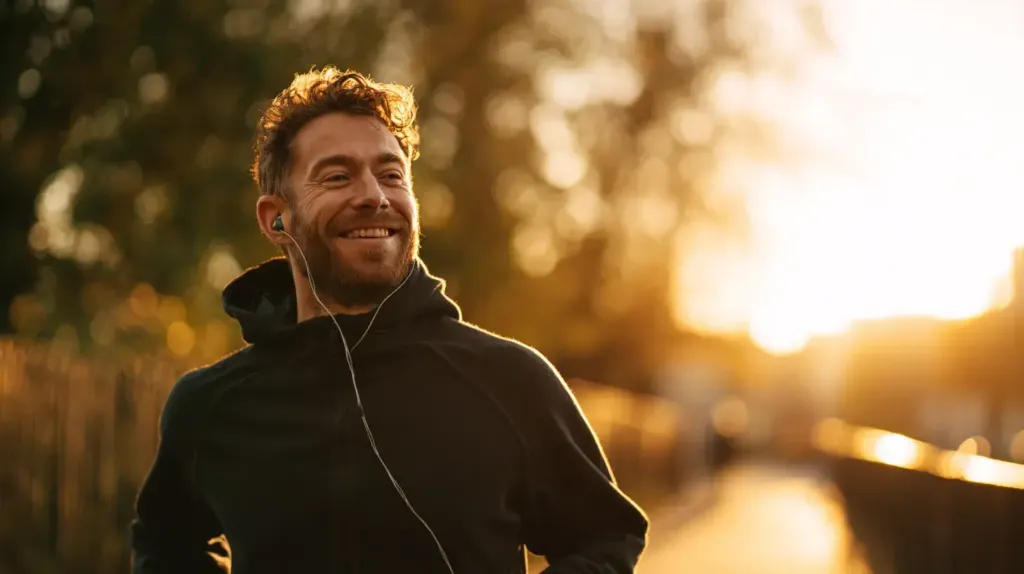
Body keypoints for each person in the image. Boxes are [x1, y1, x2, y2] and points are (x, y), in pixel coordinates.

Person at [129, 66, 649, 574]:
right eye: (337, 176)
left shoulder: (511, 380)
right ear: (276, 219)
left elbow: (605, 535)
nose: (374, 196)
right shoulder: (209, 407)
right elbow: (164, 545)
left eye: (391, 174)